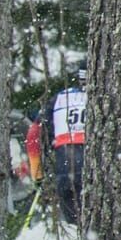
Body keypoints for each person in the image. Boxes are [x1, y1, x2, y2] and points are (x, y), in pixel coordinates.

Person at [38, 63, 87, 224]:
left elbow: (34, 134)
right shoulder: (107, 99)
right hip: (94, 170)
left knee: (75, 224)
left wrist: (38, 174)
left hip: (65, 171)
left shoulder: (60, 98)